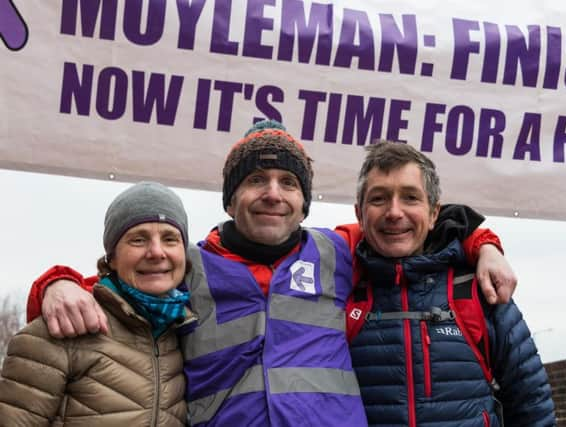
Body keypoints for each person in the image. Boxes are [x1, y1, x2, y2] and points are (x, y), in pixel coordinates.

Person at [25, 120, 516, 426]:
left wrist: (485, 246)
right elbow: (108, 293)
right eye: (255, 180)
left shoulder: (340, 249)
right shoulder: (186, 263)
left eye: (287, 182)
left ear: (304, 201)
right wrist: (55, 283)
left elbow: (424, 228)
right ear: (230, 198)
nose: (272, 193)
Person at [346, 141, 555, 426]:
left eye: (410, 198)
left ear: (434, 214)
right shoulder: (337, 289)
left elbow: (532, 405)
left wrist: (486, 246)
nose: (394, 212)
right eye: (379, 198)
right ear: (359, 214)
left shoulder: (480, 289)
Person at [0, 181, 197, 426]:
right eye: (138, 240)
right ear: (111, 258)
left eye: (170, 239)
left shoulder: (187, 334)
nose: (156, 252)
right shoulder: (63, 329)